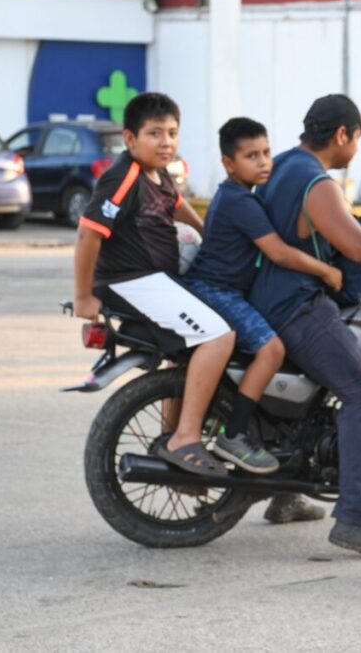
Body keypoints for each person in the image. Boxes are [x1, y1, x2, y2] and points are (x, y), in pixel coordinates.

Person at [247, 94, 361, 559]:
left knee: (323, 388)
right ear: (342, 134)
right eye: (358, 136)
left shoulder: (284, 164)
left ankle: (285, 495)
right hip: (296, 305)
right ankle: (355, 521)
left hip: (265, 297)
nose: (358, 146)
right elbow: (360, 248)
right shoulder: (318, 183)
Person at [74, 92, 235, 478]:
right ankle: (186, 439)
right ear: (130, 139)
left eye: (172, 133)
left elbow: (175, 203)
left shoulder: (159, 172)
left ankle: (171, 441)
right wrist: (83, 296)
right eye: (155, 133)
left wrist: (207, 234)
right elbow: (88, 234)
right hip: (131, 282)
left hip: (157, 280)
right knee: (219, 337)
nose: (166, 142)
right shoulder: (123, 177)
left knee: (188, 351)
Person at [183, 117, 342, 478]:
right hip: (217, 291)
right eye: (251, 156)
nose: (264, 162)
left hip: (218, 289)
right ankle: (234, 435)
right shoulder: (240, 201)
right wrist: (325, 270)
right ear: (229, 163)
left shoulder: (239, 195)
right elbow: (278, 252)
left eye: (267, 153)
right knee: (272, 350)